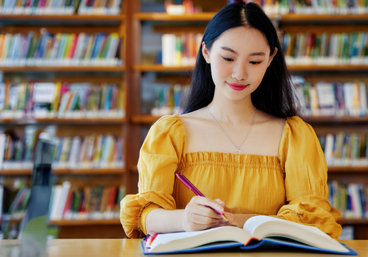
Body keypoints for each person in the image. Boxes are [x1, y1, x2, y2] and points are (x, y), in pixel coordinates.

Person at [120, 1, 342, 240]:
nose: (239, 73)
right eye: (228, 58)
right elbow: (146, 214)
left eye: (255, 61)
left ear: (270, 59)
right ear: (206, 52)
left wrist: (239, 221)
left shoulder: (295, 136)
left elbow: (313, 219)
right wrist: (184, 218)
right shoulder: (170, 133)